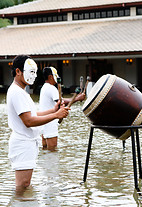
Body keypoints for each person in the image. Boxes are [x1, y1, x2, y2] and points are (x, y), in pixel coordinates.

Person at [7, 55, 70, 190]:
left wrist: (53, 110)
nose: (34, 76)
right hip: (23, 143)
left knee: (25, 185)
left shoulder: (21, 91)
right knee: (22, 186)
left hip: (27, 143)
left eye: (35, 72)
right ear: (18, 71)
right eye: (30, 72)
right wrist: (55, 115)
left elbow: (32, 114)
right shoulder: (17, 92)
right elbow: (28, 121)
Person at [39, 66, 85, 151]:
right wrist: (77, 98)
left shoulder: (44, 87)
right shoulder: (51, 88)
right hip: (50, 123)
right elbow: (61, 101)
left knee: (45, 151)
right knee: (52, 152)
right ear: (50, 77)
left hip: (44, 123)